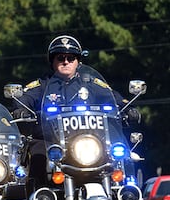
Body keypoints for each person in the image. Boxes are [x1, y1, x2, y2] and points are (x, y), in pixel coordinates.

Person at [11, 35, 141, 188]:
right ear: (52, 61)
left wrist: (128, 108)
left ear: (78, 61)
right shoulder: (42, 85)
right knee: (38, 155)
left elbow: (114, 97)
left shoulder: (91, 83)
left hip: (91, 140)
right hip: (52, 142)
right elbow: (23, 99)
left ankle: (128, 194)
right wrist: (20, 110)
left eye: (71, 58)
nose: (66, 62)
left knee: (122, 151)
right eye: (60, 58)